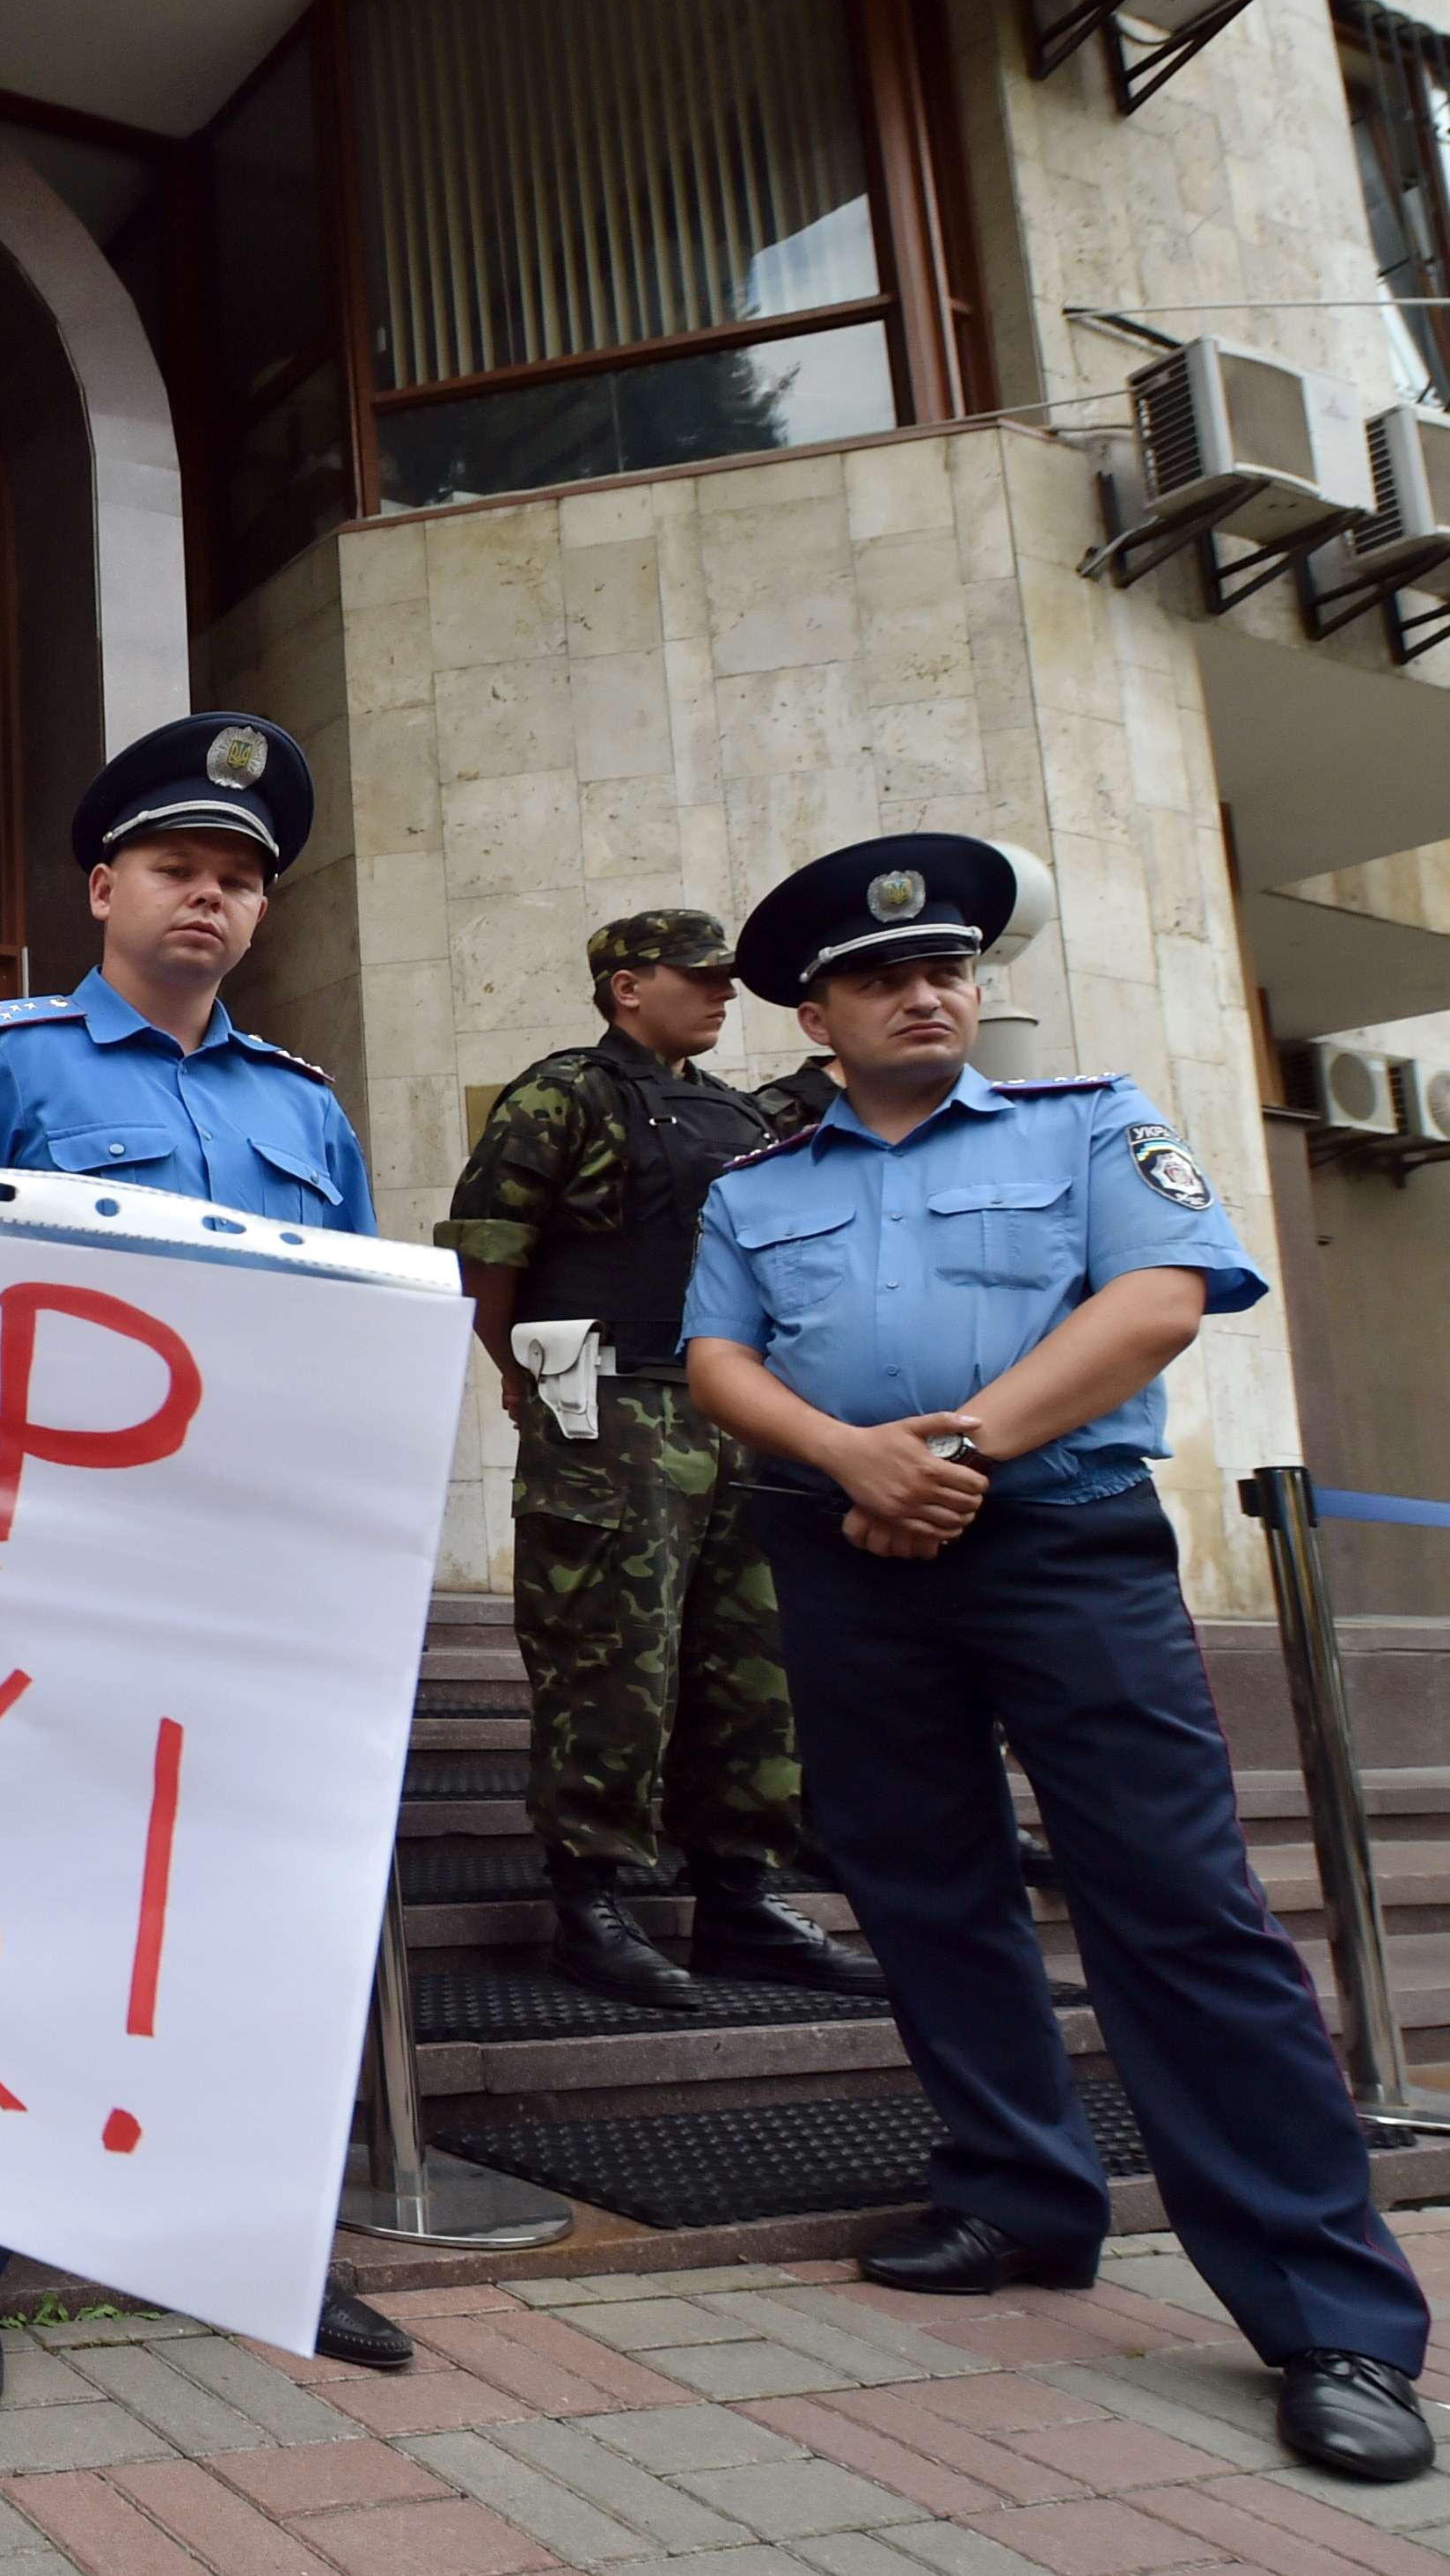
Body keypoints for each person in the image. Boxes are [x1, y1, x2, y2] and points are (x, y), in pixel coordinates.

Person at [685, 831, 1432, 2485]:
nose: (924, 992)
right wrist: (848, 1461)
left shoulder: (1085, 1122)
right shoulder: (756, 1186)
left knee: (1174, 1905)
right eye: (881, 976)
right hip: (840, 1555)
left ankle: (1330, 2315)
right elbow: (716, 1356)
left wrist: (937, 1451)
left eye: (944, 968)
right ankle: (1017, 2197)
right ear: (816, 1014)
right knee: (915, 1882)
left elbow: (1158, 1298)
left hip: (1059, 1545)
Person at [0, 714, 408, 2405]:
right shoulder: (9, 1064)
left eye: (239, 877)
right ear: (102, 883)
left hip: (245, 1567)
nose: (210, 895)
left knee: (239, 1906)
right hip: (46, 1554)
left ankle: (254, 2237)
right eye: (179, 865)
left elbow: (348, 1333)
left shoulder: (299, 1107)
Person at [436, 911, 880, 2012]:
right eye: (699, 978)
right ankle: (590, 1898)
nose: (724, 996)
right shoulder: (564, 1093)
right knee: (610, 1660)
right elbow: (486, 1254)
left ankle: (741, 1891)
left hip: (744, 1415)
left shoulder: (741, 1113)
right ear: (627, 987)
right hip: (615, 1412)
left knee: (752, 1664)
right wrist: (534, 1376)